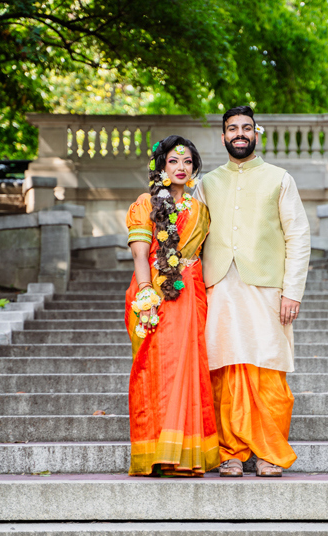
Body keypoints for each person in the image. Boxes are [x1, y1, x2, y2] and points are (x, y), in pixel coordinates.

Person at [193, 105, 311, 477]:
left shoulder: (280, 178)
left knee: (269, 368)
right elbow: (191, 238)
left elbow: (298, 236)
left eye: (246, 128)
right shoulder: (206, 183)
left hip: (266, 290)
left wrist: (292, 292)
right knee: (223, 368)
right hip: (220, 290)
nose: (240, 134)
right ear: (223, 136)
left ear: (256, 133)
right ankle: (230, 452)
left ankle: (269, 453)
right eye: (232, 128)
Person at [124, 135, 220, 477]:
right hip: (154, 289)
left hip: (191, 293)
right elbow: (139, 252)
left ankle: (184, 455)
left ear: (194, 169)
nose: (181, 168)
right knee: (155, 368)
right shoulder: (144, 204)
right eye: (173, 162)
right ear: (161, 167)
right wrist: (146, 293)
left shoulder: (199, 211)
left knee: (188, 366)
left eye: (188, 162)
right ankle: (157, 451)